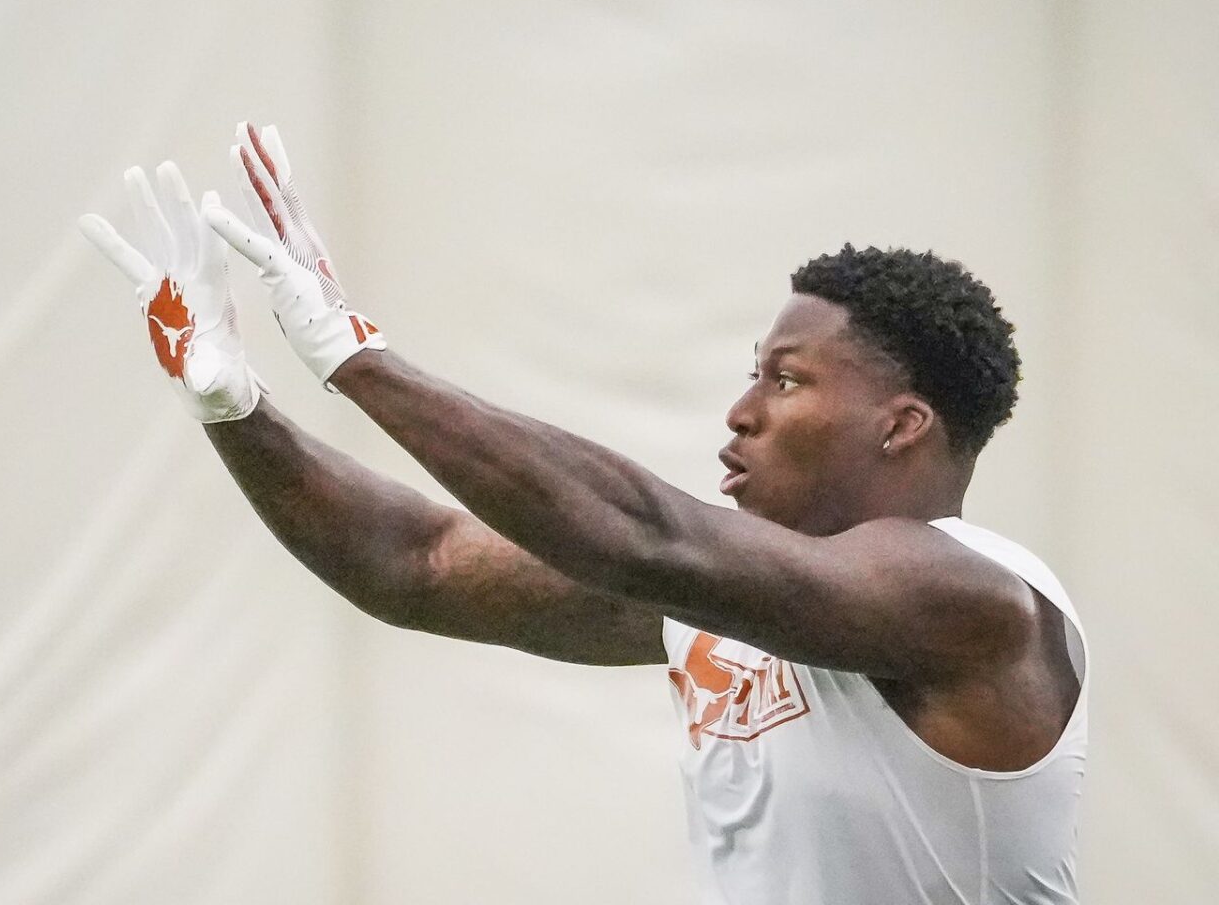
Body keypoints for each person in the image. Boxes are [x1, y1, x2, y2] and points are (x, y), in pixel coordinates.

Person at [78, 123, 1086, 904]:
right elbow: (418, 563)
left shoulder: (973, 596)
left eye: (786, 381)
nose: (741, 411)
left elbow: (651, 537)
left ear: (901, 425)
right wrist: (234, 405)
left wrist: (359, 359)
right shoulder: (742, 603)